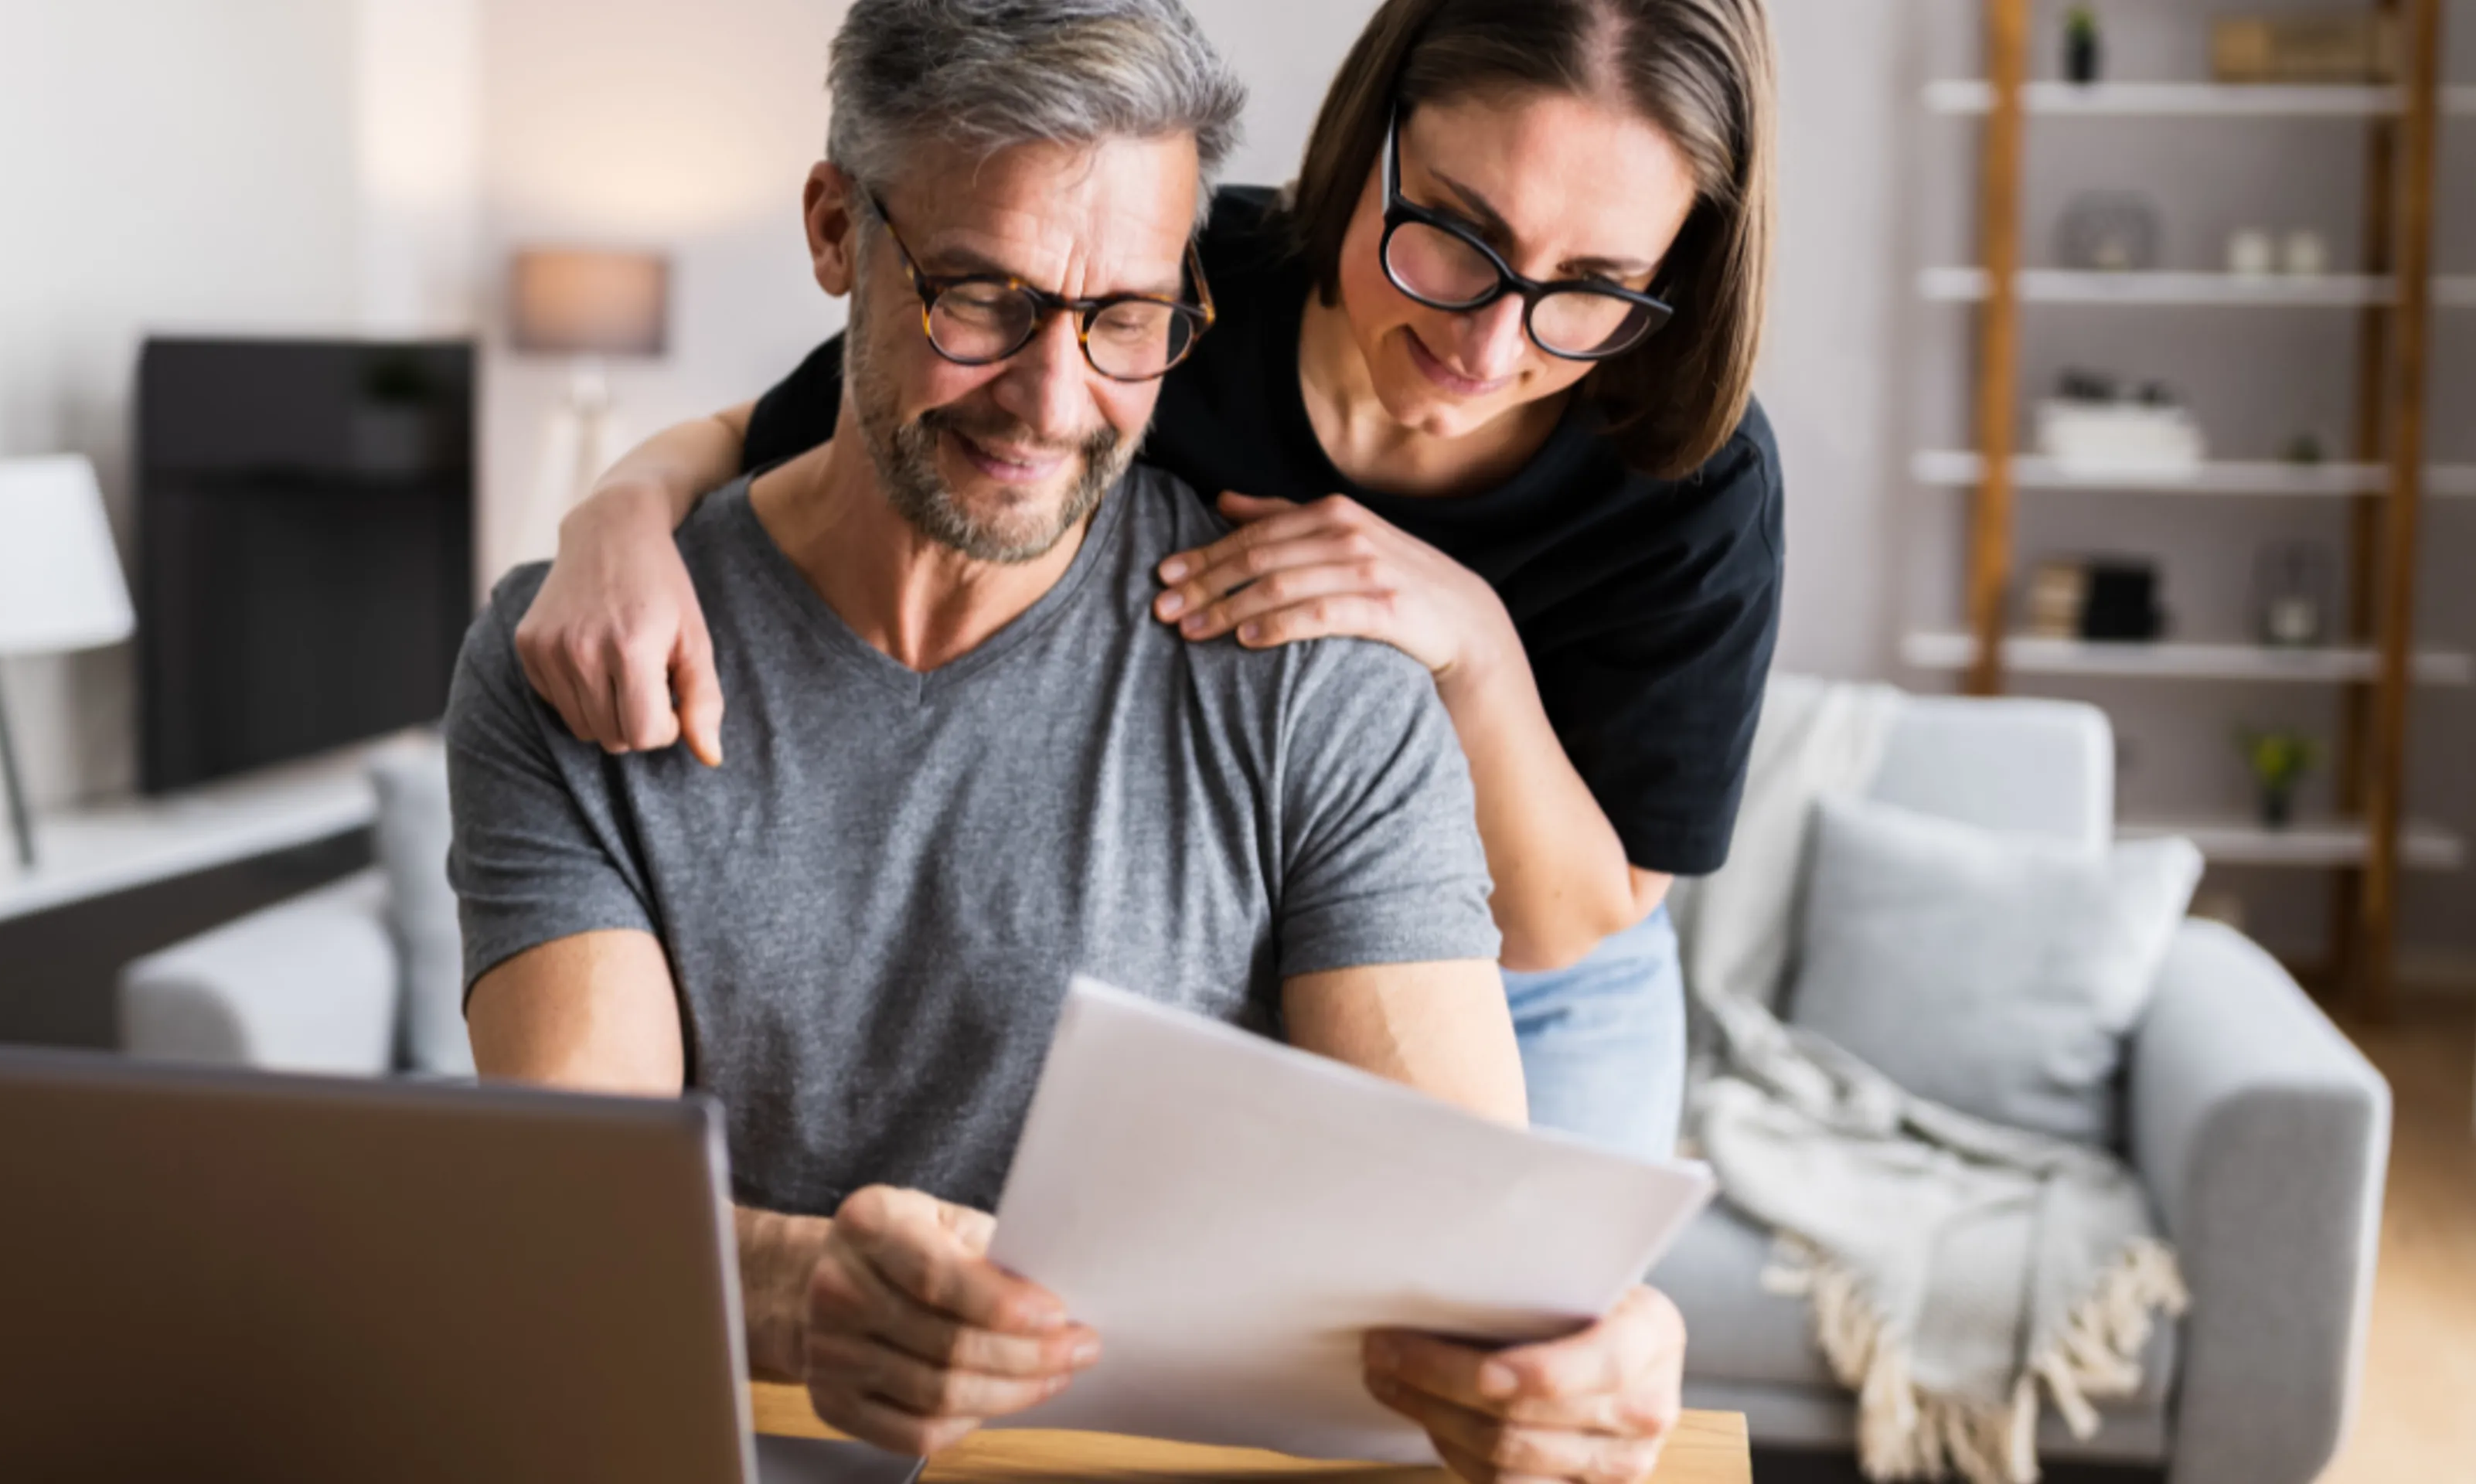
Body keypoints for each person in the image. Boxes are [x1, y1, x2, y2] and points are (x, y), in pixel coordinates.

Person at [453, 2, 1684, 1480]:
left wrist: (1594, 1352)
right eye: (982, 297)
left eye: (1127, 320)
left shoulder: (1320, 690)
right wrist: (789, 1294)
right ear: (836, 231)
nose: (1054, 402)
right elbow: (564, 1215)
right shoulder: (579, 660)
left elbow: (1467, 1262)